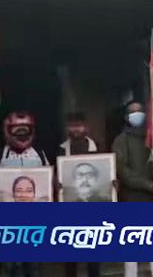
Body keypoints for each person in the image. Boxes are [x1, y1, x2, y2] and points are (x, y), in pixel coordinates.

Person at [0, 111, 49, 277]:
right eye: (17, 129)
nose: (21, 133)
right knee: (7, 267)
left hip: (34, 224)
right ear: (7, 131)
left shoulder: (39, 155)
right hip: (6, 224)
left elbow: (47, 184)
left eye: (25, 129)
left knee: (33, 267)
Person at [112, 101, 153, 277]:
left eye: (140, 111)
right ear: (126, 117)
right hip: (131, 200)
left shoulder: (152, 138)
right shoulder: (121, 141)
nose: (137, 115)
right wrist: (149, 185)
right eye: (133, 112)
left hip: (151, 200)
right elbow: (123, 172)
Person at [57, 112, 103, 277]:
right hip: (70, 208)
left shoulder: (98, 147)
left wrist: (112, 184)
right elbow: (55, 175)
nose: (76, 129)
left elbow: (105, 173)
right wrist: (56, 183)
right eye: (72, 126)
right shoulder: (61, 149)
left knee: (93, 252)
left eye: (79, 125)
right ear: (67, 128)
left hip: (93, 209)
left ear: (86, 127)